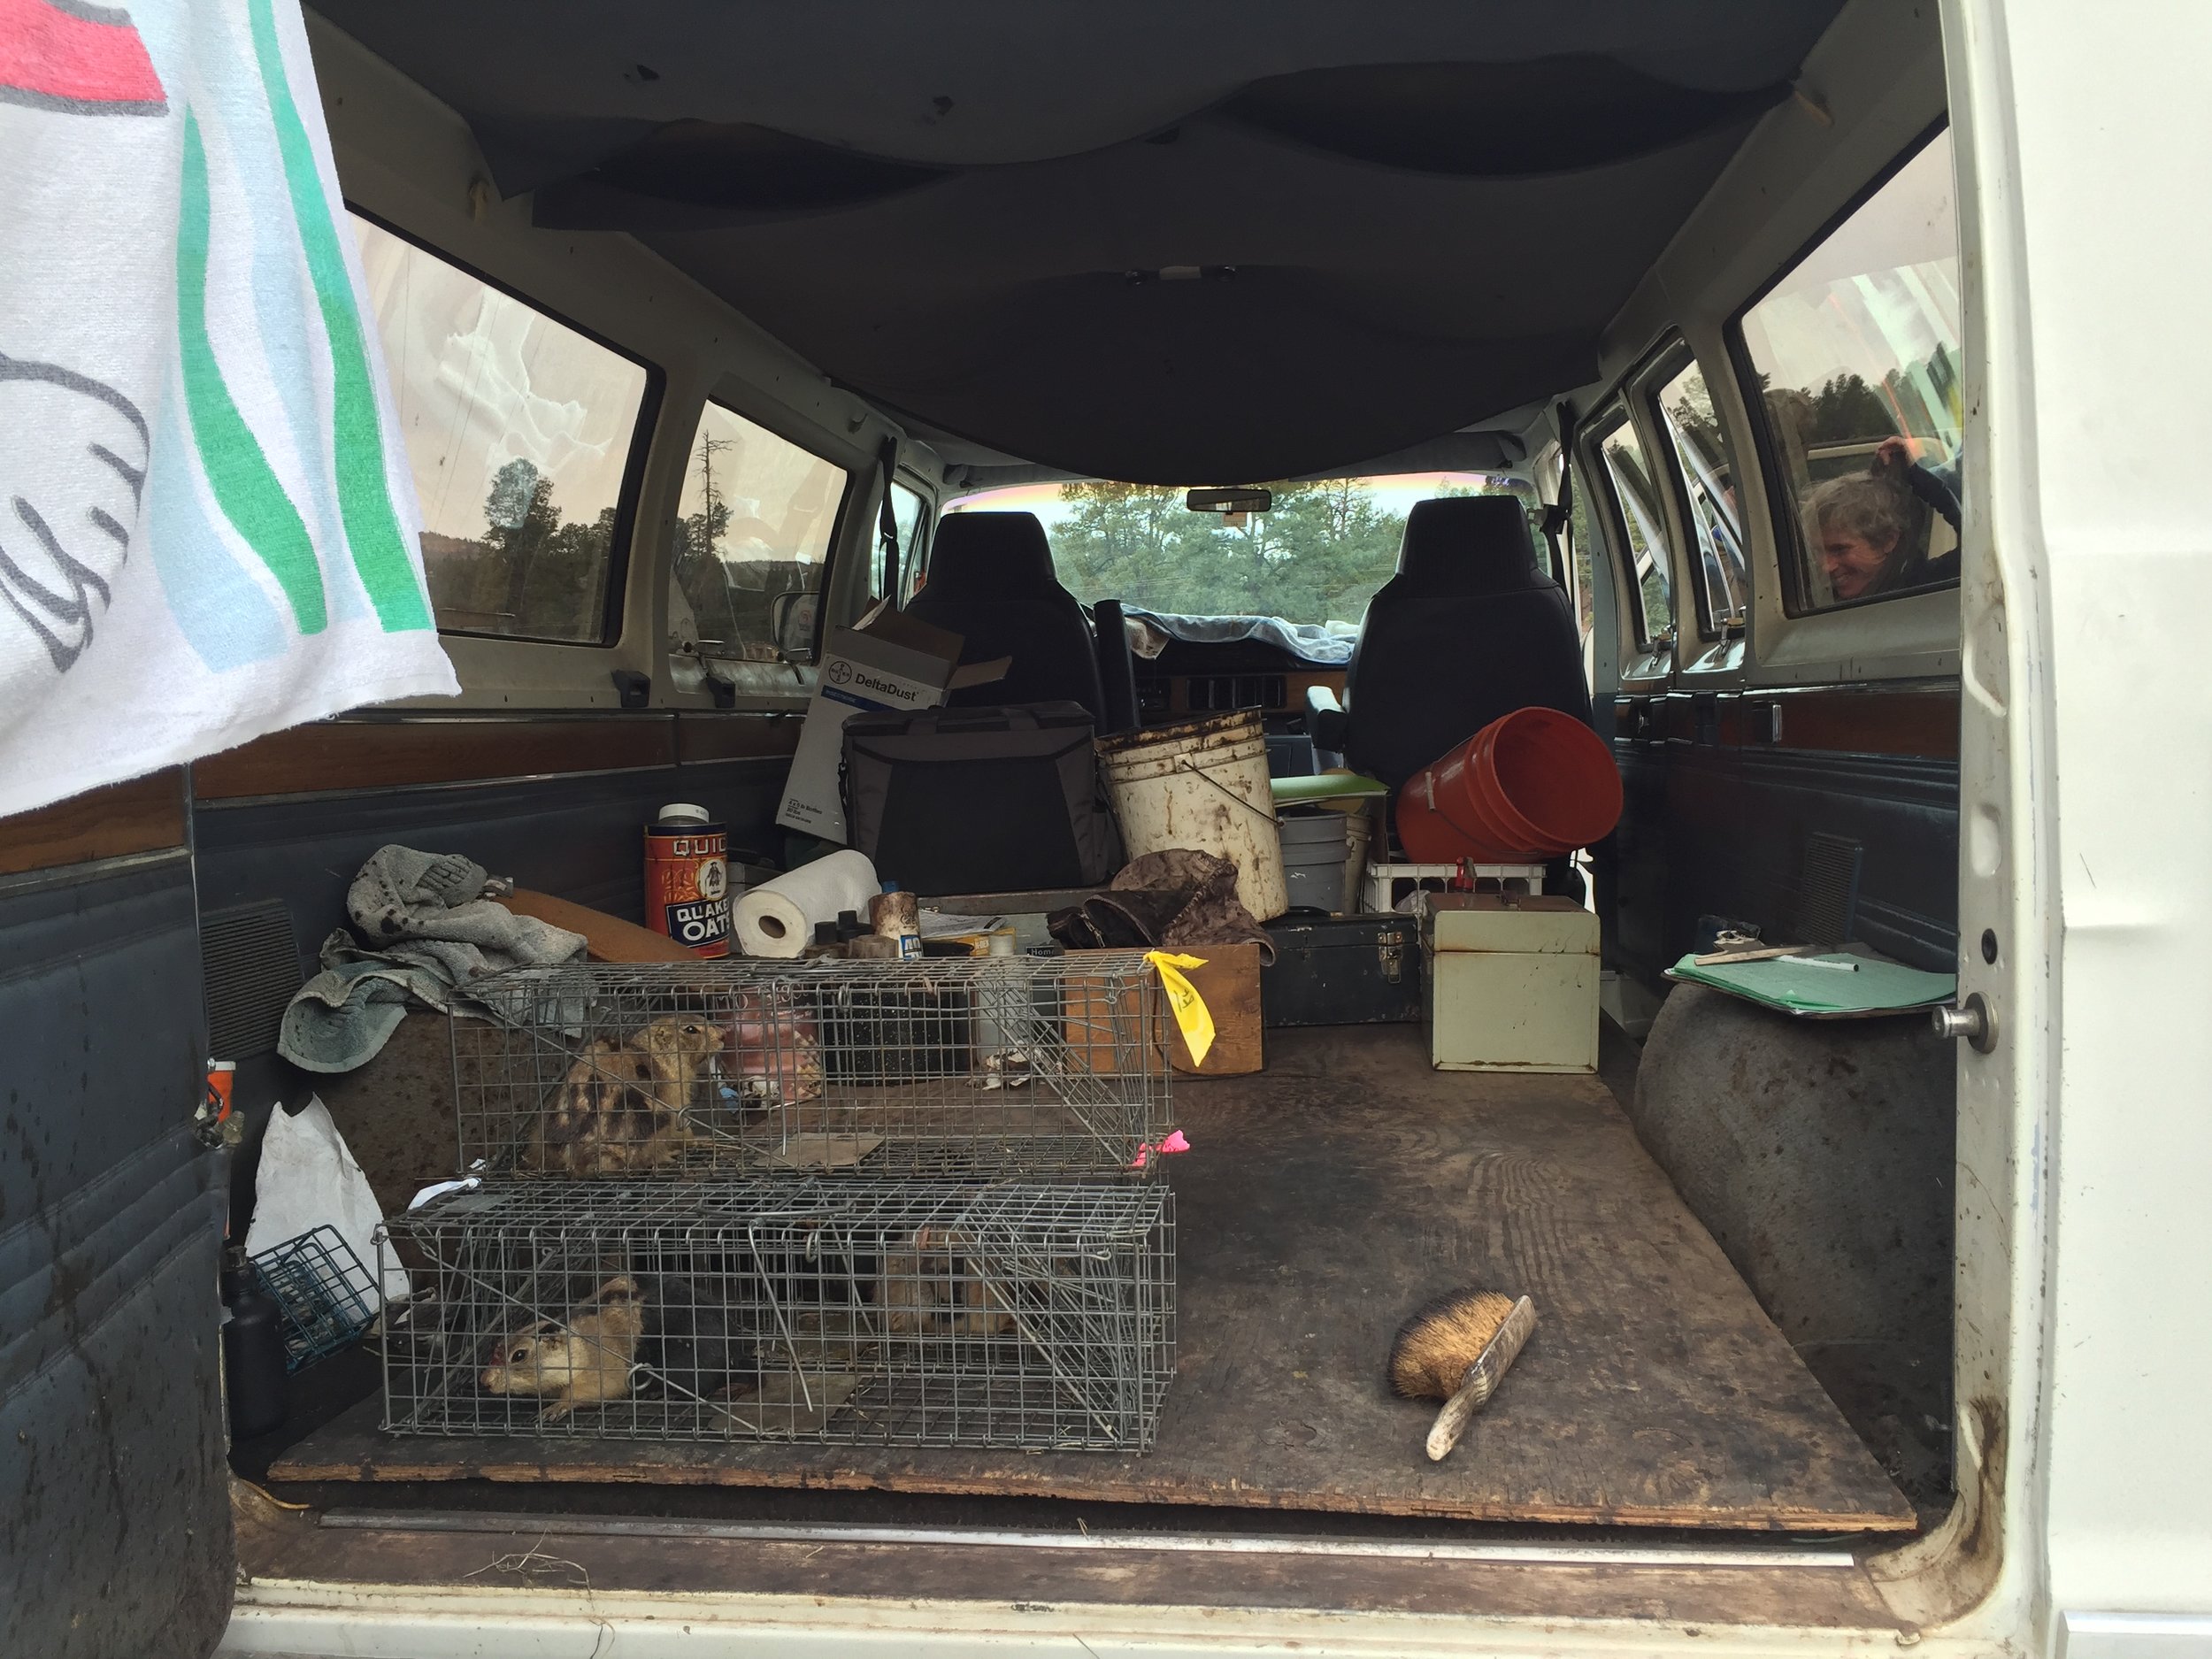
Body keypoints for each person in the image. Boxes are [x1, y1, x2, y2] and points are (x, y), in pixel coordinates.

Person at [1799, 469, 1954, 603]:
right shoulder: (1812, 599)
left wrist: (1915, 475)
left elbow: (1976, 550)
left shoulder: (1934, 587)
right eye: (1817, 552)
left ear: (1888, 540)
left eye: (1839, 550)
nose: (1827, 567)